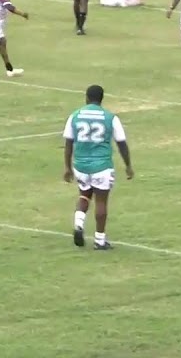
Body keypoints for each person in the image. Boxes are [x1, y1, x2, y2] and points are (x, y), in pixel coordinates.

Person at [63, 84, 134, 250]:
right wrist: (128, 165)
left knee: (84, 194)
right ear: (102, 99)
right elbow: (121, 143)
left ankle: (79, 223)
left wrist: (67, 167)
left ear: (86, 98)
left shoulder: (75, 116)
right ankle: (100, 240)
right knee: (101, 201)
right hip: (101, 165)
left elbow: (68, 143)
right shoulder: (110, 117)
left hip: (80, 164)